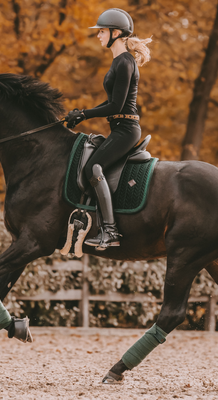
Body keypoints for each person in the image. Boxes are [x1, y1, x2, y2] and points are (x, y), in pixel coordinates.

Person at [65, 8, 152, 249]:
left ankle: (110, 231)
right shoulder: (118, 62)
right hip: (120, 127)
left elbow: (116, 105)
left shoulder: (124, 62)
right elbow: (111, 102)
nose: (98, 36)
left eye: (101, 31)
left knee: (94, 168)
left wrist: (85, 113)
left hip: (126, 129)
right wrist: (82, 113)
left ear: (116, 33)